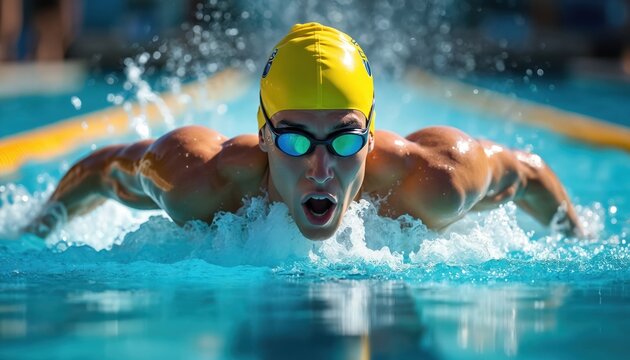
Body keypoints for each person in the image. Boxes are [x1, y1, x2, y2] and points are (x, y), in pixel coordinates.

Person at [26, 22, 583, 240]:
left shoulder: (432, 181)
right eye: (294, 140)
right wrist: (36, 227)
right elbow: (104, 170)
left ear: (370, 132)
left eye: (344, 140)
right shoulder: (200, 181)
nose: (320, 170)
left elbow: (526, 173)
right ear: (263, 134)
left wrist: (578, 239)